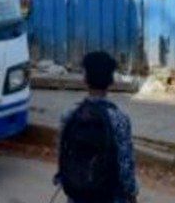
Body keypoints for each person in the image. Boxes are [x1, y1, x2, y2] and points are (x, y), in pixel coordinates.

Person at [54, 51, 138, 203]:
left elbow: (62, 156)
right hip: (110, 196)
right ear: (111, 81)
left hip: (78, 194)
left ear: (85, 79)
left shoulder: (70, 116)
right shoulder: (119, 119)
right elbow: (125, 165)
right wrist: (132, 193)